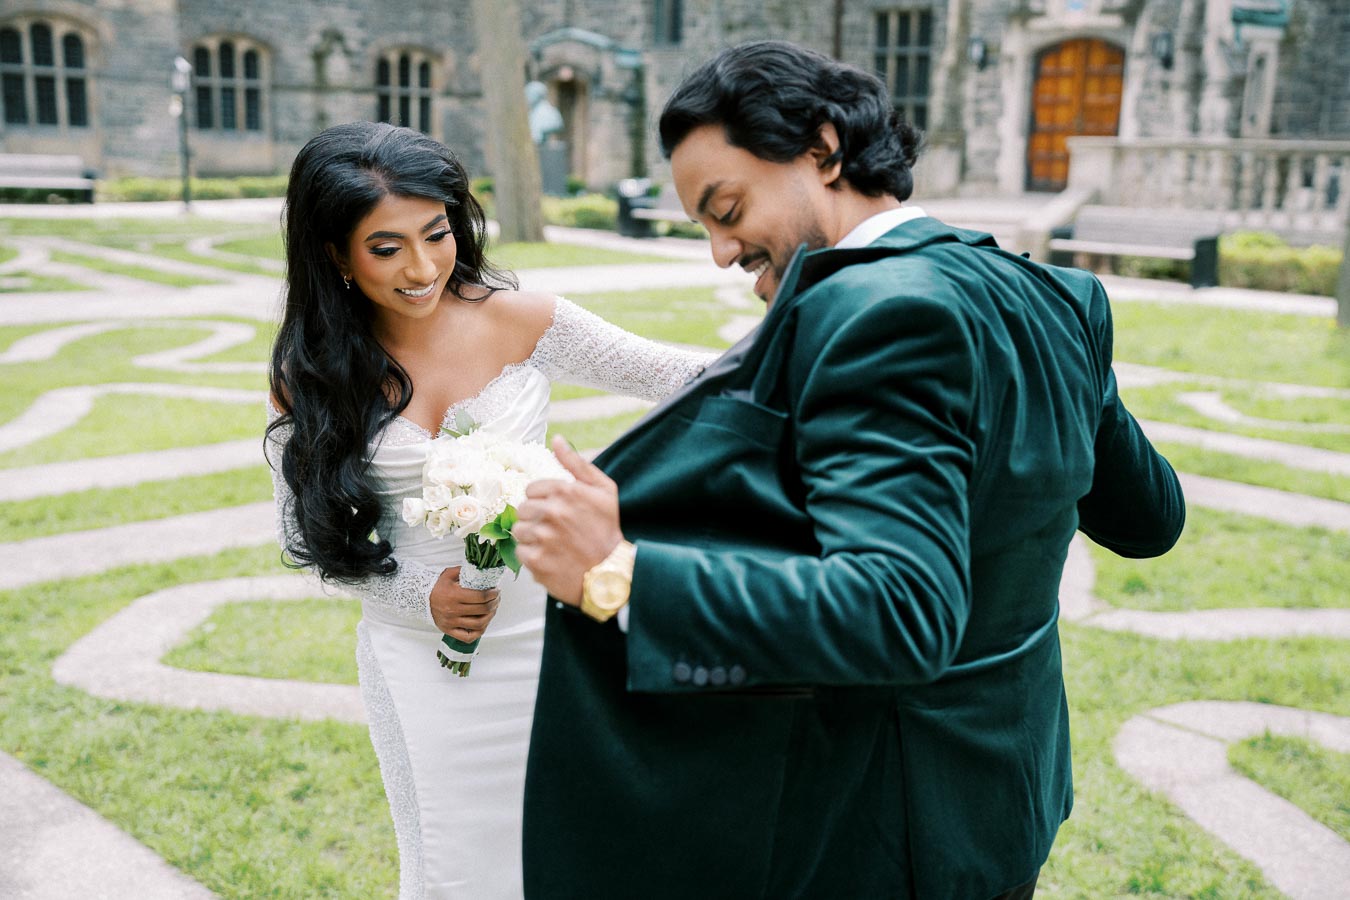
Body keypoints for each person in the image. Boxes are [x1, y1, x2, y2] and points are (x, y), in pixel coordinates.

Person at [515, 40, 1185, 899]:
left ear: (823, 150)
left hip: (882, 827)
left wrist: (618, 573)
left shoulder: (873, 310)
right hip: (1007, 797)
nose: (721, 252)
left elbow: (900, 612)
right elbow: (1149, 518)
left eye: (727, 208)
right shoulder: (1057, 296)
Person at [264, 121, 713, 899]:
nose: (421, 266)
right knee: (452, 866)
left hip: (554, 639)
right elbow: (307, 537)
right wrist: (419, 598)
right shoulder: (311, 375)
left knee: (578, 854)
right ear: (334, 254)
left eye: (436, 233)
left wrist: (828, 335)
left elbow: (690, 380)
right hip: (420, 657)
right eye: (386, 247)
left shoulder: (524, 318)